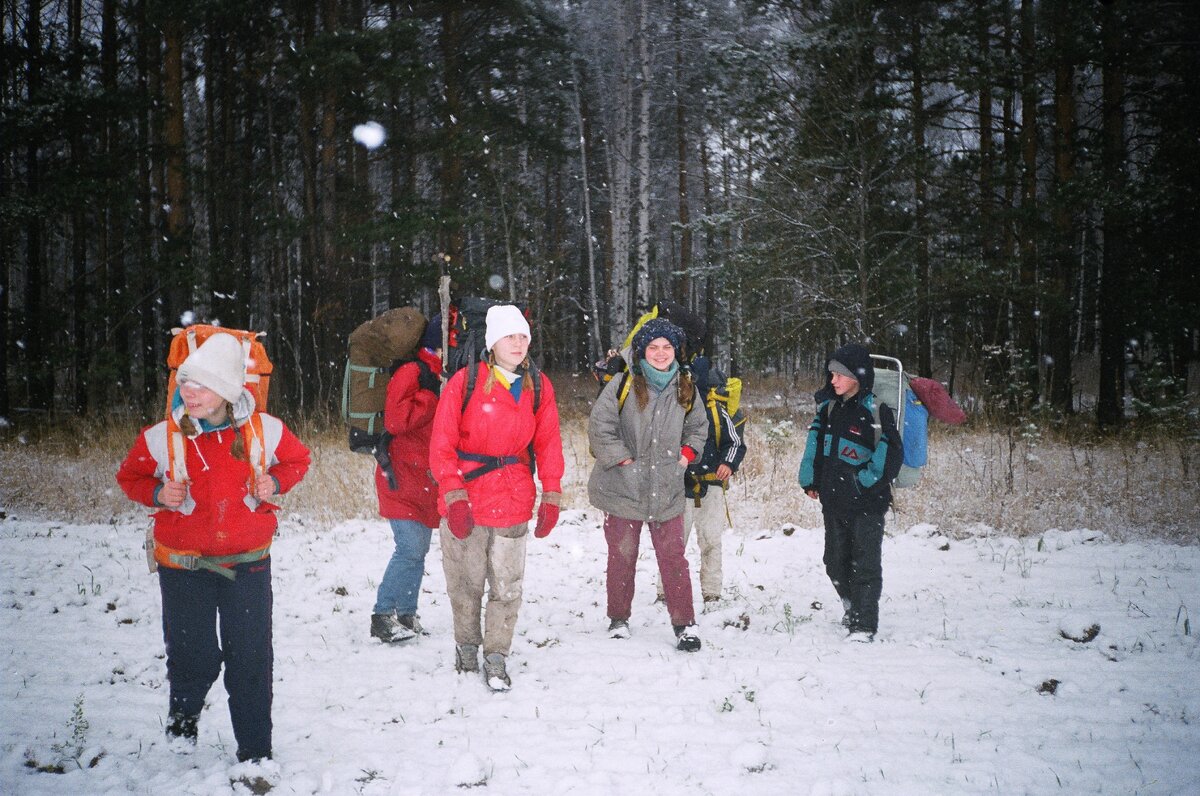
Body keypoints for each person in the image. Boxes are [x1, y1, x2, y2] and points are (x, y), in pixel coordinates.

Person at [116, 332, 310, 762]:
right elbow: (129, 477)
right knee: (192, 656)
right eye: (185, 382)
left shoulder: (266, 430)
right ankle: (183, 721)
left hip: (248, 566)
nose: (188, 391)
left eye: (200, 384)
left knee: (251, 661)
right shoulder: (160, 437)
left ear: (226, 391)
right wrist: (156, 495)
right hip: (183, 567)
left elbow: (299, 460)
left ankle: (255, 753)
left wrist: (275, 481)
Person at [428, 304, 565, 691]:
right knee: (465, 583)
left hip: (513, 498)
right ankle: (467, 646)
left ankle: (496, 655)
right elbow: (442, 443)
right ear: (493, 343)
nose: (518, 344)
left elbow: (549, 442)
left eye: (523, 337)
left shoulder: (538, 385)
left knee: (507, 586)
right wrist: (454, 495)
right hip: (466, 500)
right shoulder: (465, 383)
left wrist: (551, 493)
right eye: (510, 337)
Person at [588, 318, 709, 651]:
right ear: (642, 351)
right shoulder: (624, 383)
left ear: (675, 351)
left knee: (673, 557)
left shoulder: (686, 385)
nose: (660, 353)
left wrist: (685, 456)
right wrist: (624, 460)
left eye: (666, 347)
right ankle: (618, 618)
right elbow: (600, 427)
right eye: (653, 347)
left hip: (667, 486)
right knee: (622, 555)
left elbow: (698, 427)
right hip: (622, 486)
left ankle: (685, 624)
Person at [798, 343, 903, 642]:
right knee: (834, 560)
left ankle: (863, 624)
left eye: (839, 375)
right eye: (831, 374)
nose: (833, 380)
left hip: (868, 503)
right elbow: (815, 446)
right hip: (833, 501)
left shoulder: (876, 410)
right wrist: (811, 479)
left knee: (865, 564)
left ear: (857, 376)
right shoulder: (829, 408)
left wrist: (863, 483)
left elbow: (890, 455)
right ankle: (850, 605)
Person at [370, 317, 444, 644]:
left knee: (419, 549)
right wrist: (431, 396)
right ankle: (382, 616)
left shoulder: (440, 373)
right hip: (399, 477)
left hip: (423, 481)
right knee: (410, 547)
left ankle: (406, 614)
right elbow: (398, 421)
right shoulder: (413, 372)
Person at [657, 357, 747, 605]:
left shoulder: (717, 411)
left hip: (711, 486)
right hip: (678, 486)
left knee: (710, 541)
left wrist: (727, 464)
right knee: (674, 543)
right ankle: (665, 592)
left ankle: (712, 593)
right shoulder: (672, 408)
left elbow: (735, 443)